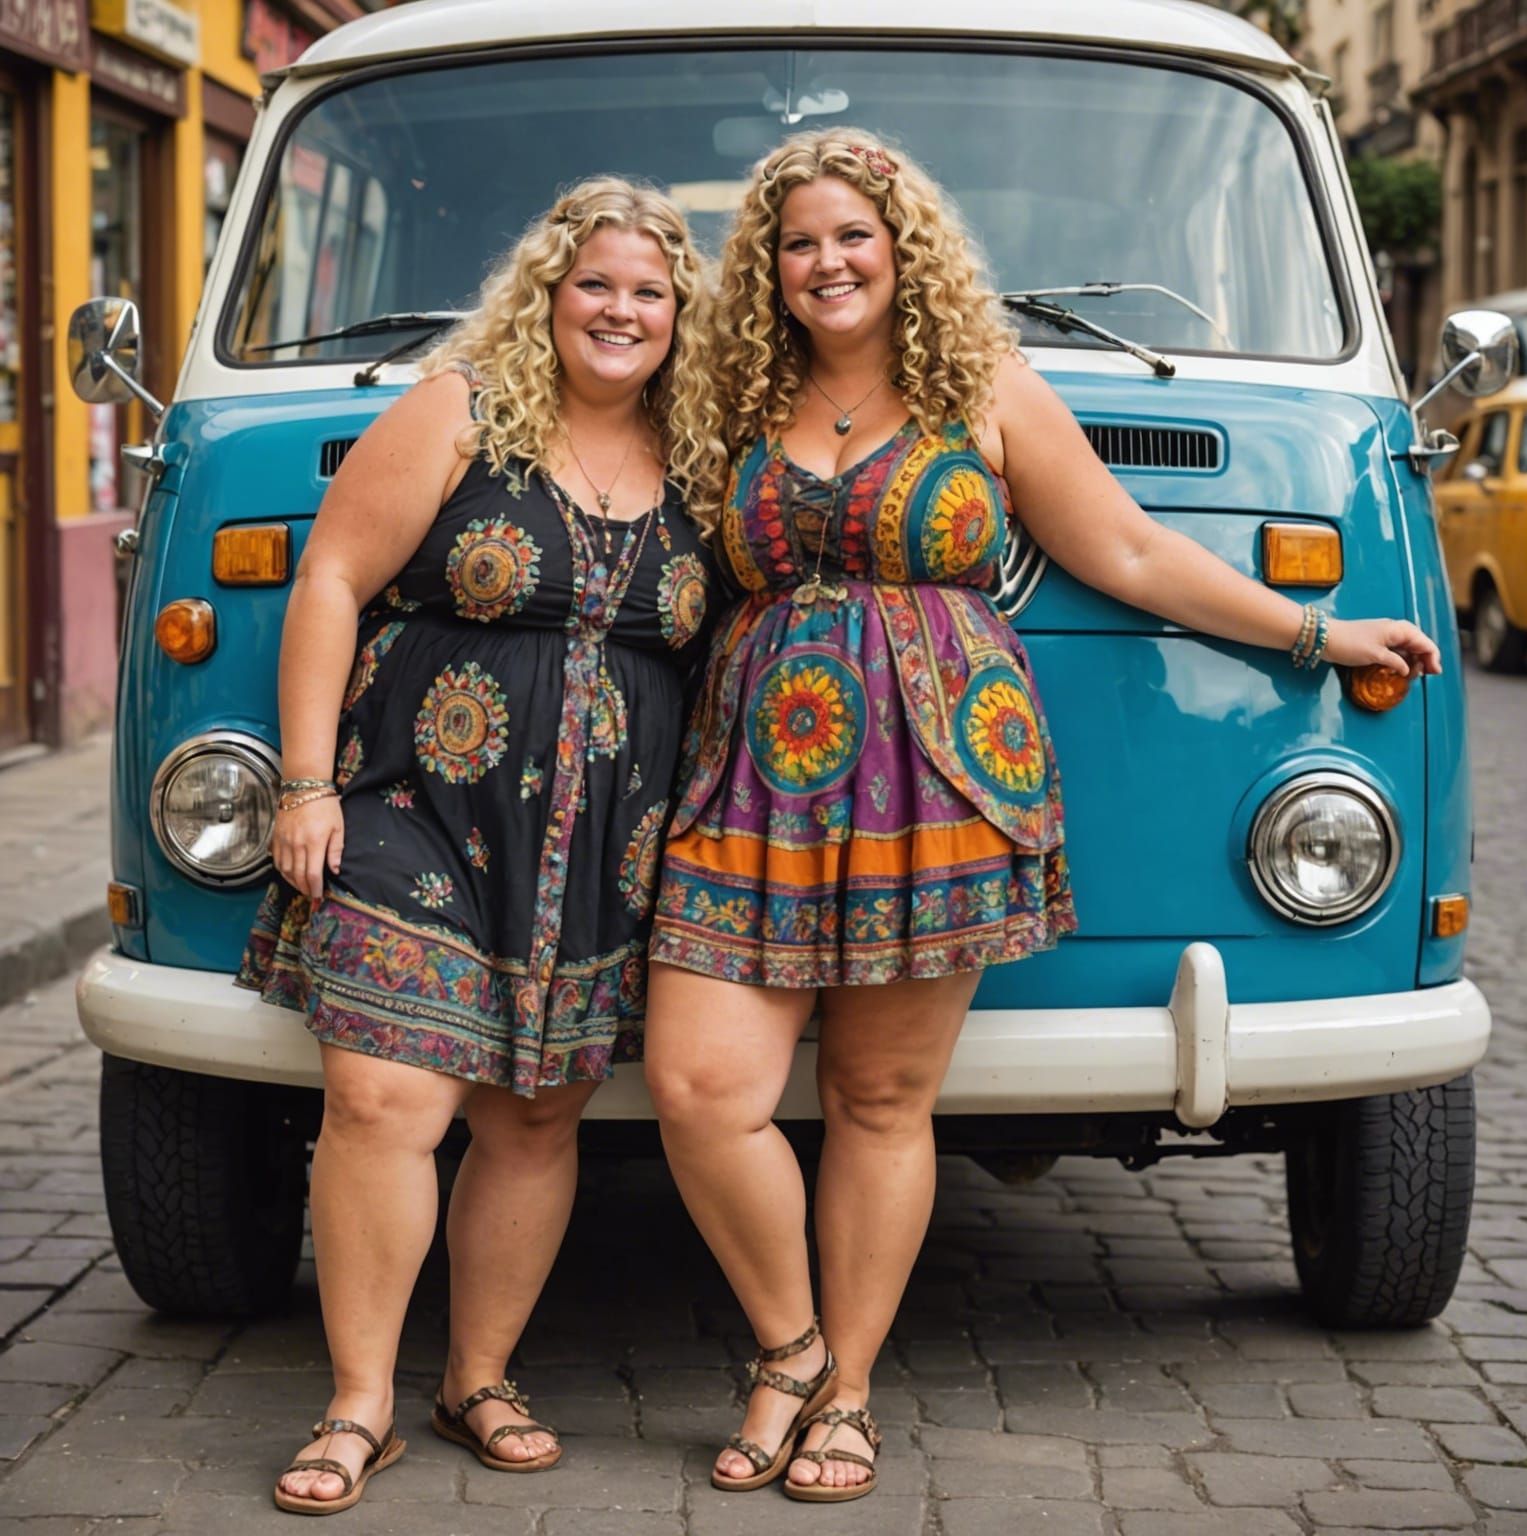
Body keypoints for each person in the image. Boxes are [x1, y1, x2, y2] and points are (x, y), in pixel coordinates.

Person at [642, 131, 1442, 1504]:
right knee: (700, 1086)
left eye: (851, 236)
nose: (826, 263)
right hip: (757, 783)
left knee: (880, 1100)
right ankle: (787, 1346)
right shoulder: (727, 398)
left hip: (943, 782)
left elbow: (1129, 550)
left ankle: (847, 1395)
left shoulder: (984, 389)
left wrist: (1315, 629)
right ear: (766, 269)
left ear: (902, 250)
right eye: (797, 243)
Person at [235, 177, 720, 1514]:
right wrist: (305, 783)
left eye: (650, 292)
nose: (622, 311)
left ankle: (478, 1378)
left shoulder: (701, 457)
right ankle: (358, 1403)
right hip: (414, 808)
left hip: (601, 848)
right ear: (551, 296)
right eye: (598, 285)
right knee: (384, 1100)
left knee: (535, 1113)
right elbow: (331, 575)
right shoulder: (462, 411)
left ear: (681, 316)